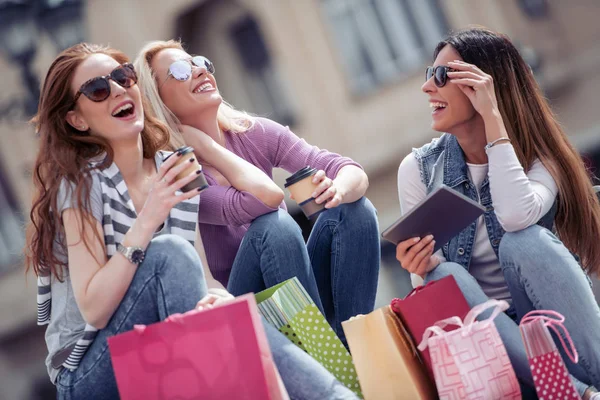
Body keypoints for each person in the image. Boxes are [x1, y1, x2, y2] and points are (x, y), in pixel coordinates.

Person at [25, 42, 358, 399]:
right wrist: (149, 217)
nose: (119, 90)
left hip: (163, 336)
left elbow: (257, 212)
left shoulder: (173, 167)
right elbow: (93, 307)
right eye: (98, 89)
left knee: (235, 304)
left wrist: (218, 298)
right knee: (168, 253)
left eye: (123, 77)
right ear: (76, 119)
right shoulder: (80, 183)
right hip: (89, 368)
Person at [395, 27, 600, 399]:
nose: (428, 88)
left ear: (485, 84)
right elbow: (435, 291)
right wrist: (416, 267)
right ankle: (577, 394)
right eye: (430, 74)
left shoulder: (540, 158)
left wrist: (492, 118)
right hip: (494, 353)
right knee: (443, 274)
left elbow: (516, 217)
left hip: (566, 341)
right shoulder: (419, 170)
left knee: (524, 242)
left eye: (442, 76)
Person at [133, 40, 380, 345]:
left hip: (296, 293)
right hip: (238, 308)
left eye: (199, 61)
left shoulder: (253, 132)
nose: (198, 71)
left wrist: (337, 192)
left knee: (356, 211)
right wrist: (206, 147)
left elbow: (351, 171)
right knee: (274, 227)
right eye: (181, 71)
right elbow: (265, 200)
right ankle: (325, 356)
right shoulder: (175, 170)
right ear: (158, 100)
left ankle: (352, 348)